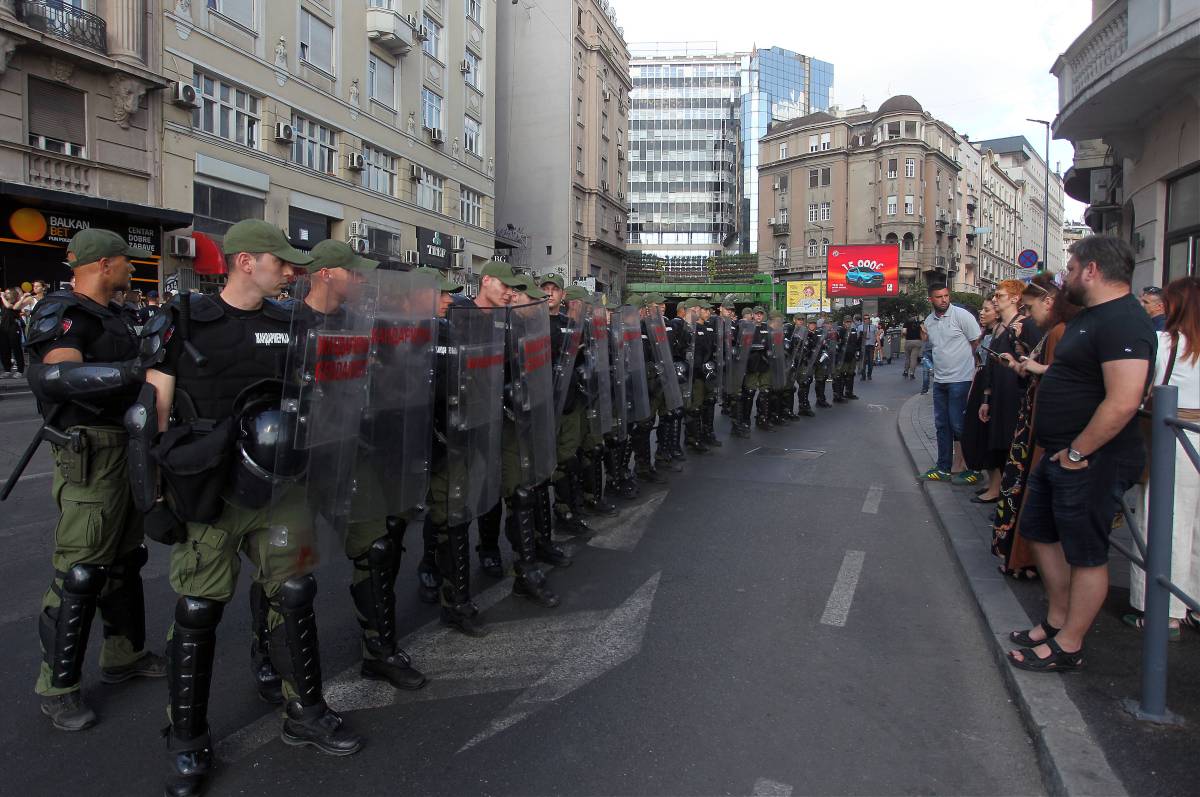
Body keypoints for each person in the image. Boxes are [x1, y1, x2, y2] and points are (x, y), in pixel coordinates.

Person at [137, 220, 361, 795]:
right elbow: (150, 415)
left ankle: (304, 712)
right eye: (279, 261)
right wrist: (153, 498)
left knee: (294, 593)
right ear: (243, 262)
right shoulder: (184, 319)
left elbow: (322, 397)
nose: (291, 270)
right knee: (198, 609)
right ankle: (186, 739)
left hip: (281, 487)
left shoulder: (295, 322)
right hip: (209, 488)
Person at [23, 229, 166, 732]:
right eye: (127, 261)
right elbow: (58, 376)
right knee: (81, 571)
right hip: (90, 452)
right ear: (104, 264)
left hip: (128, 447)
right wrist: (133, 374)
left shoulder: (119, 316)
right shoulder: (65, 312)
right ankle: (58, 687)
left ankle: (124, 655)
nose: (133, 268)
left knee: (126, 559)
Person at [1008, 235, 1156, 673]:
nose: (1065, 276)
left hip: (1091, 460)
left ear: (1092, 269)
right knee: (1038, 531)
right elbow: (1075, 373)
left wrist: (1077, 452)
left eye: (1071, 268)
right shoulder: (1092, 318)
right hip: (1059, 453)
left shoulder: (1124, 320)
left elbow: (1126, 398)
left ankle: (1069, 644)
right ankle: (1057, 620)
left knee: (1086, 553)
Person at [990, 276, 1081, 579]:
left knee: (1030, 495)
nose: (1029, 316)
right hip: (1032, 420)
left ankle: (1026, 561)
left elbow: (1067, 376)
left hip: (1041, 426)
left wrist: (1035, 367)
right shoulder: (1052, 331)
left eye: (1030, 308)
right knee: (1022, 491)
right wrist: (1021, 366)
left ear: (1049, 302)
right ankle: (1022, 559)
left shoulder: (1058, 332)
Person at [1124, 276, 1200, 638]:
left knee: (1163, 517)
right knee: (1198, 524)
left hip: (1173, 437)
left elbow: (1141, 387)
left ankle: (1162, 610)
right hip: (1196, 437)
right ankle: (1195, 605)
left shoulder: (1164, 342)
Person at [974, 280, 1044, 503]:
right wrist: (986, 398)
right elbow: (993, 365)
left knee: (1010, 446)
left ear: (1015, 299)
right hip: (999, 395)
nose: (995, 299)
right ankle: (1001, 493)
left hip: (1016, 395)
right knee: (997, 443)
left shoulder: (1025, 325)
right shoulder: (999, 328)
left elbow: (1035, 360)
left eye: (999, 295)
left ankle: (1009, 497)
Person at [919, 283, 982, 482]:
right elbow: (935, 348)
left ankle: (974, 468)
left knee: (959, 425)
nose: (944, 299)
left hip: (961, 379)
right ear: (931, 299)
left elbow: (976, 344)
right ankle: (943, 467)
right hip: (940, 381)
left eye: (946, 295)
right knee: (942, 425)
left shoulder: (962, 316)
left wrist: (972, 370)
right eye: (939, 297)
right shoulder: (929, 321)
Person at [1, 287, 27, 376]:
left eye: (7, 293)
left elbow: (9, 306)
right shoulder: (3, 302)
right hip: (4, 328)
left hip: (13, 328)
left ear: (12, 294)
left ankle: (20, 370)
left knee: (16, 349)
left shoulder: (15, 303)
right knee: (5, 349)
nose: (5, 294)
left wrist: (2, 297)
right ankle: (7, 370)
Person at [902, 314, 923, 379]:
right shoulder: (919, 323)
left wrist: (905, 336)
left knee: (907, 358)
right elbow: (923, 331)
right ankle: (912, 373)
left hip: (908, 341)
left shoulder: (906, 323)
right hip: (917, 341)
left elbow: (904, 332)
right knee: (913, 358)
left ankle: (905, 372)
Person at [859, 314, 878, 381]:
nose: (866, 320)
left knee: (870, 361)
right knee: (863, 361)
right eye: (865, 319)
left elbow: (876, 335)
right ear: (863, 320)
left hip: (871, 345)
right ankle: (863, 375)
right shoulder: (860, 327)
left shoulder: (873, 327)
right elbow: (858, 337)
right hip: (863, 346)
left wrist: (877, 343)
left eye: (868, 318)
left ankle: (869, 374)